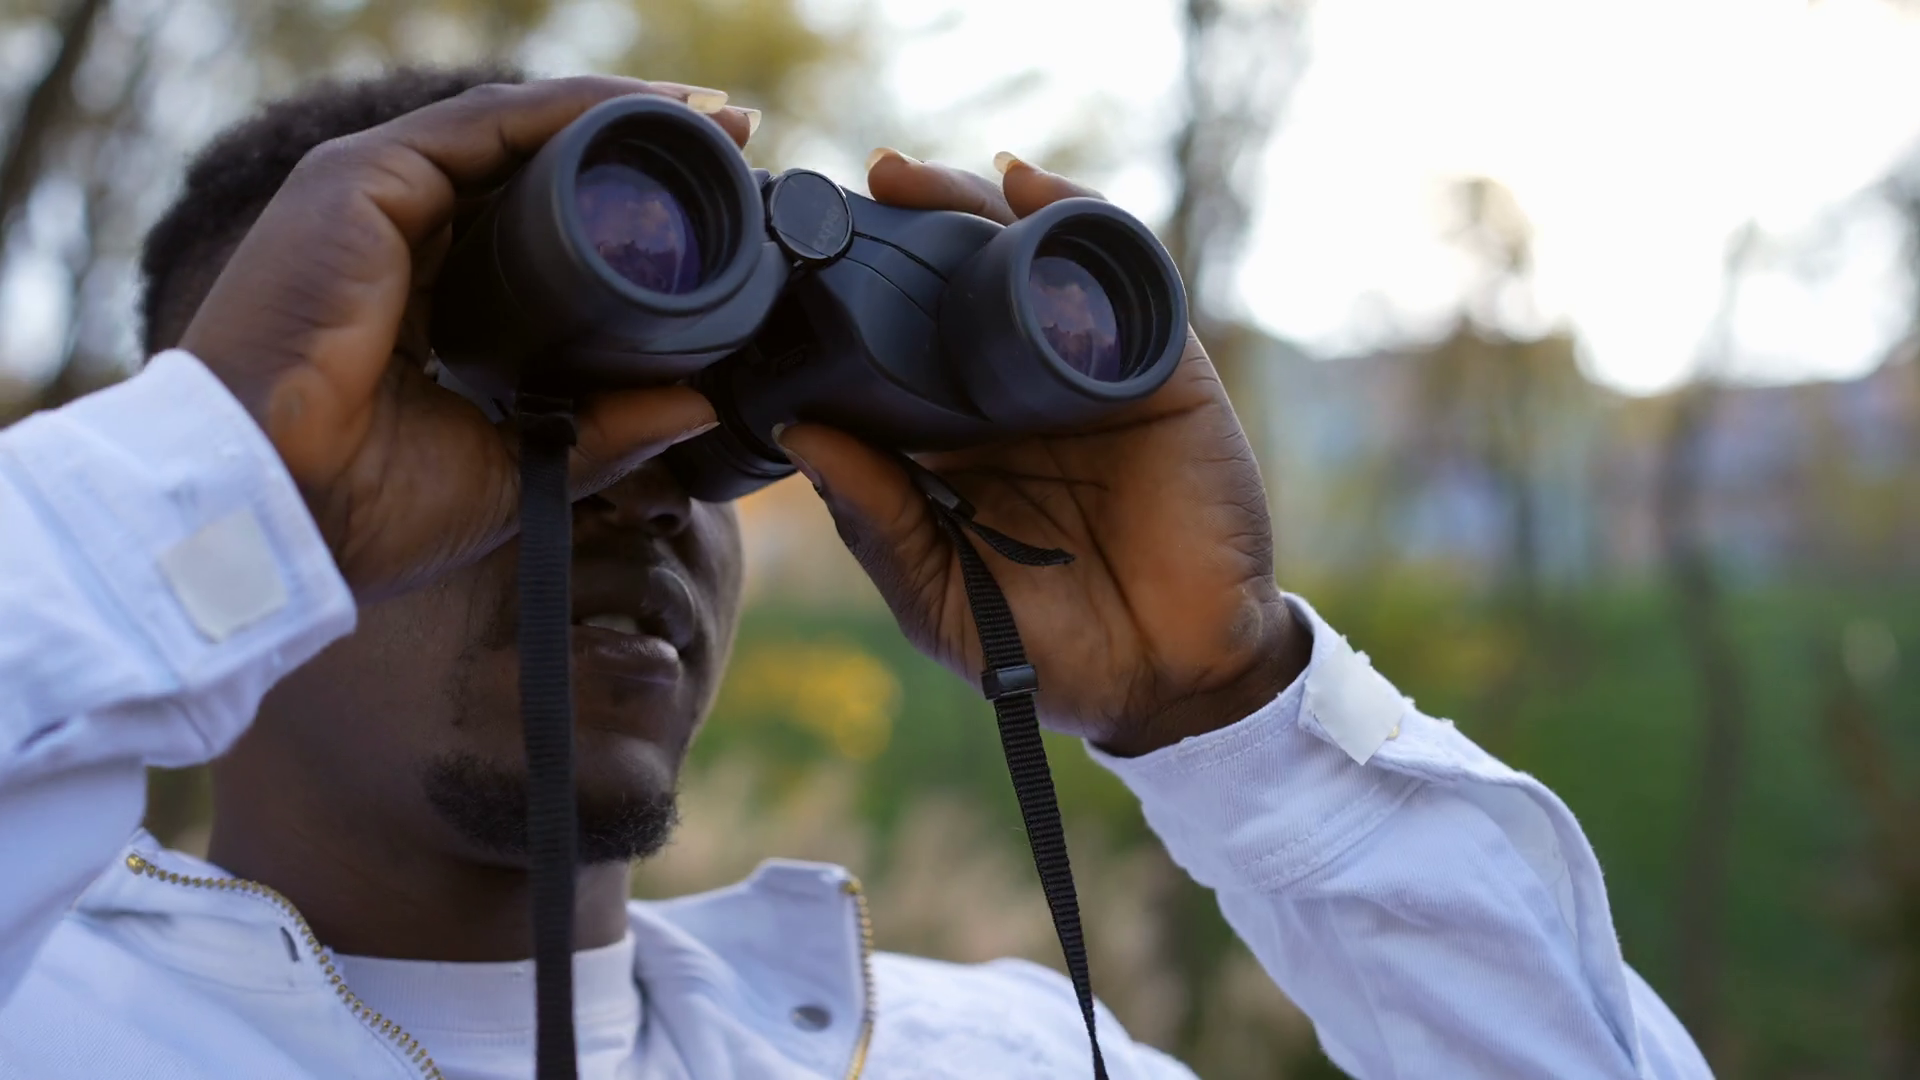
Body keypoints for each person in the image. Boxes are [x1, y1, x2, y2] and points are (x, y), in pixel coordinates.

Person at [0, 66, 1713, 1080]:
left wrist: (1235, 715)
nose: (636, 497)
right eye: (509, 420)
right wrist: (201, 492)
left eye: (694, 432)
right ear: (215, 477)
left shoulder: (993, 1057)